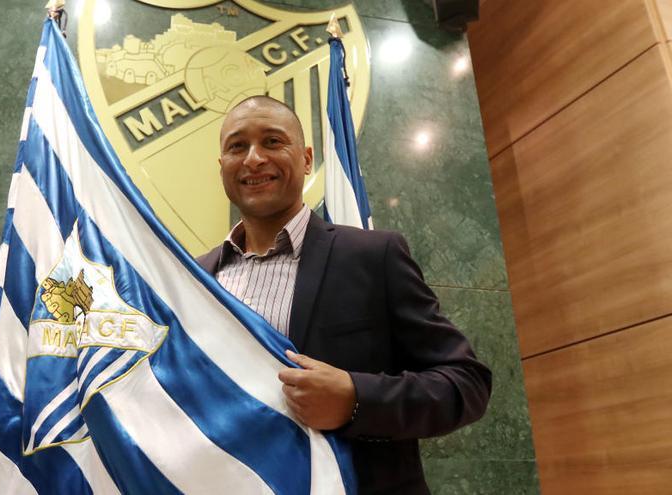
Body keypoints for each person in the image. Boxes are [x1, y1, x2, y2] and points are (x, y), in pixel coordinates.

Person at [196, 96, 492, 494]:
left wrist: (356, 399)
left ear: (305, 159)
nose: (253, 159)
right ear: (222, 168)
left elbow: (465, 384)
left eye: (271, 141)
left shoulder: (374, 257)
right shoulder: (194, 277)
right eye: (237, 146)